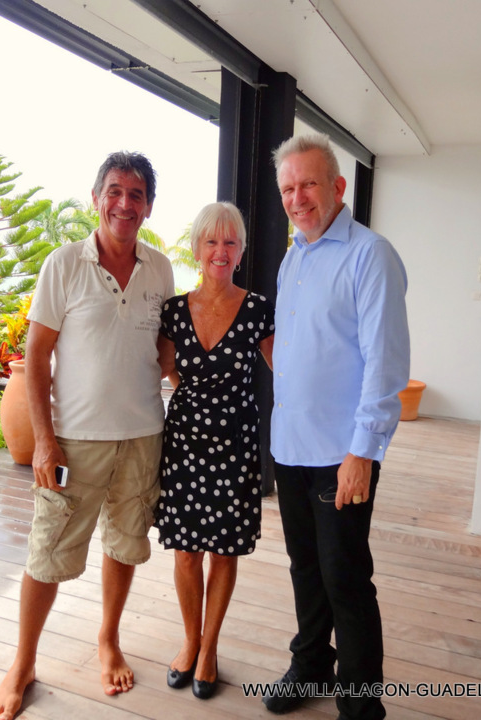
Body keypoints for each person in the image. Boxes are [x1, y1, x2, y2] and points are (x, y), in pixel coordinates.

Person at [0, 151, 174, 720]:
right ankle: (22, 664)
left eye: (136, 194)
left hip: (143, 435)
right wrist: (44, 441)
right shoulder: (63, 264)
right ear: (97, 199)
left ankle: (108, 638)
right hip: (74, 440)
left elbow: (164, 352)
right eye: (114, 191)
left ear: (148, 206)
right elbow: (36, 354)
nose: (125, 203)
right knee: (46, 554)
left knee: (124, 544)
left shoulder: (160, 269)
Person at [263, 134, 410, 720]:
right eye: (288, 188)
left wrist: (363, 453)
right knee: (305, 569)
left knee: (345, 578)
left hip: (341, 453)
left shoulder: (370, 255)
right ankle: (310, 663)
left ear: (338, 187)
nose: (298, 198)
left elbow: (386, 363)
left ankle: (359, 702)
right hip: (291, 446)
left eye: (309, 184)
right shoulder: (293, 255)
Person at [155, 201, 274, 700]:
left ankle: (210, 649)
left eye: (230, 242)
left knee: (223, 553)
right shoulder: (175, 312)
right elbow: (163, 371)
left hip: (235, 447)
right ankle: (189, 640)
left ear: (241, 251)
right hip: (184, 442)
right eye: (211, 242)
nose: (220, 251)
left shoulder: (258, 310)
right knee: (186, 554)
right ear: (197, 249)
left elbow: (288, 371)